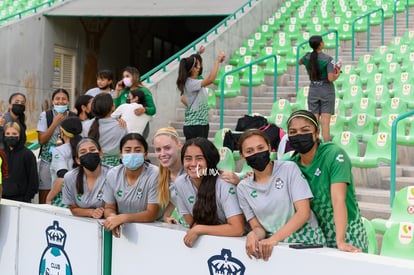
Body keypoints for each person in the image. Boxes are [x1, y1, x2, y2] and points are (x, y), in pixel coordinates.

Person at [236, 129, 325, 261]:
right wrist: (253, 234)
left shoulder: (289, 169)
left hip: (307, 244)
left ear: (270, 148)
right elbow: (258, 228)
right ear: (242, 156)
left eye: (260, 148)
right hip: (276, 249)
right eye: (249, 151)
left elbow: (303, 212)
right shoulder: (243, 188)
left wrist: (273, 239)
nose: (256, 153)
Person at [287, 110, 368, 252]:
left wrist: (340, 241)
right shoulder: (291, 164)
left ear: (316, 132)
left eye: (305, 130)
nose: (299, 135)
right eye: (293, 132)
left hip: (347, 232)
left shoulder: (334, 154)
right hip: (317, 235)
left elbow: (338, 199)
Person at [175, 137, 245, 248]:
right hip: (208, 244)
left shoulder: (224, 183)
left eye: (199, 158)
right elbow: (192, 222)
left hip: (236, 245)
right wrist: (198, 228)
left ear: (209, 160)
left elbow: (238, 229)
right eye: (188, 158)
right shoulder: (180, 183)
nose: (193, 164)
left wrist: (200, 229)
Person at [102, 133, 159, 237]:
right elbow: (109, 207)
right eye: (127, 150)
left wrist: (123, 218)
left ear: (145, 154)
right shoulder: (113, 174)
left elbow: (151, 214)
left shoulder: (154, 174)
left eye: (137, 150)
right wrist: (112, 218)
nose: (132, 154)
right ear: (120, 154)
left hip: (151, 232)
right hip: (123, 232)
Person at [298, 35, 340, 142]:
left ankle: (313, 144)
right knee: (325, 122)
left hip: (313, 89)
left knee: (314, 121)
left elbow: (299, 61)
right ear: (321, 44)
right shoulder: (328, 59)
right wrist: (338, 73)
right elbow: (331, 78)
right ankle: (325, 145)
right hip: (326, 89)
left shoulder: (307, 57)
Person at [176, 50, 225, 140]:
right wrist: (217, 61)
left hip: (201, 124)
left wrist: (198, 53)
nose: (200, 66)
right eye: (198, 65)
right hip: (195, 126)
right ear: (194, 69)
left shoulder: (193, 81)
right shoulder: (190, 83)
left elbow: (183, 98)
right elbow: (211, 79)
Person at [37, 88, 74, 204]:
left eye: (64, 99)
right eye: (57, 99)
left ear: (68, 102)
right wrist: (55, 123)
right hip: (47, 160)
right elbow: (42, 140)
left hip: (67, 161)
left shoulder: (73, 116)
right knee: (45, 194)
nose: (60, 102)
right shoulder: (46, 115)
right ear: (52, 101)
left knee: (64, 192)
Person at [62, 138, 111, 218]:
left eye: (92, 150)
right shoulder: (70, 177)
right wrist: (91, 212)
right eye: (83, 152)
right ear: (78, 160)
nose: (88, 153)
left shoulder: (113, 174)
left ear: (101, 154)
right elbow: (73, 208)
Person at [82, 93, 128, 167]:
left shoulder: (85, 125)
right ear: (112, 107)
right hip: (115, 167)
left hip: (91, 165)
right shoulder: (121, 125)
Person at [47, 116, 83, 206]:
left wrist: (49, 198)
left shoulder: (59, 151)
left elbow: (62, 178)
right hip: (83, 197)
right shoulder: (85, 147)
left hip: (64, 198)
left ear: (62, 132)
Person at [113, 66, 156, 139]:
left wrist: (144, 110)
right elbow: (115, 108)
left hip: (139, 127)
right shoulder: (124, 92)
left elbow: (153, 109)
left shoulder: (144, 91)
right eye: (123, 77)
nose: (124, 79)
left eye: (127, 76)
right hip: (124, 128)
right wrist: (117, 91)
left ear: (134, 77)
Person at [153, 127, 185, 224]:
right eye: (158, 149)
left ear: (179, 146)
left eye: (167, 148)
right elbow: (174, 197)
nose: (162, 154)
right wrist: (166, 216)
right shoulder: (163, 176)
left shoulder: (191, 170)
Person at [2, 122, 39, 202]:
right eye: (7, 133)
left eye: (14, 133)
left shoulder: (27, 155)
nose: (10, 136)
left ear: (20, 135)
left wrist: (26, 198)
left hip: (21, 201)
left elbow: (33, 181)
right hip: (2, 199)